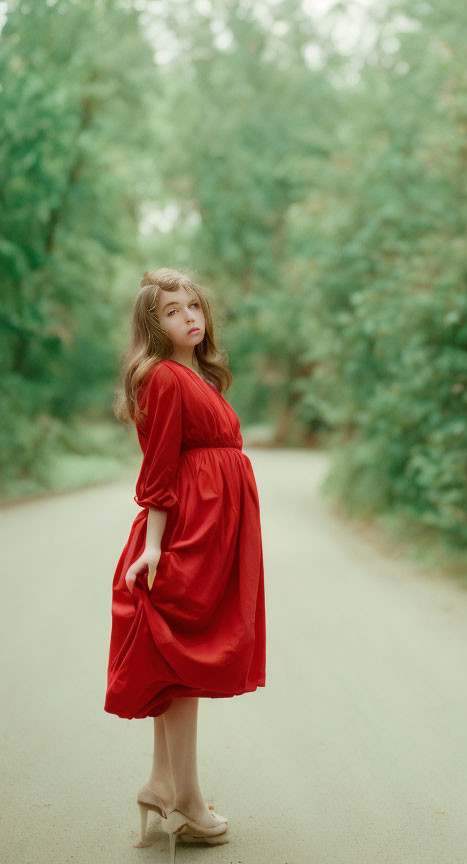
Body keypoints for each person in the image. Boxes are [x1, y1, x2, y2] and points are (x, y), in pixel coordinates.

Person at [104, 268, 266, 856]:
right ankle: (188, 804)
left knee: (177, 661)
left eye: (193, 305)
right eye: (172, 311)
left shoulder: (192, 373)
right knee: (184, 661)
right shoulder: (166, 378)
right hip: (190, 528)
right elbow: (160, 469)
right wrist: (153, 545)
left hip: (213, 523)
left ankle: (163, 784)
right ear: (153, 324)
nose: (189, 317)